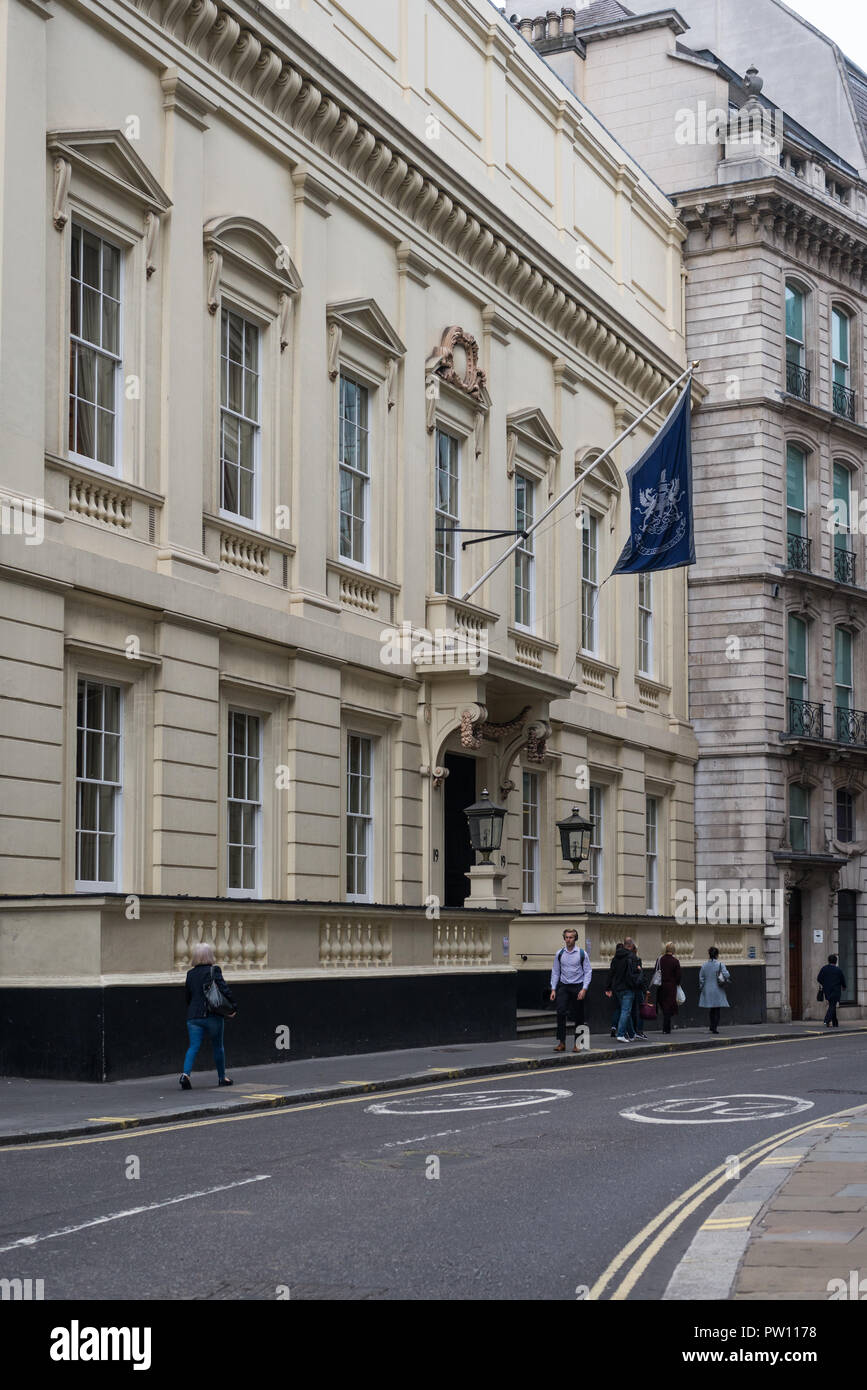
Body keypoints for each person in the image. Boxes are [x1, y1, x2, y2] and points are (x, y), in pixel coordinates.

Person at [180, 942, 238, 1089]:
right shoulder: (214, 970)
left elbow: (188, 996)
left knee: (193, 1047)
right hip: (212, 1015)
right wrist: (232, 1006)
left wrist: (193, 1010)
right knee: (218, 1047)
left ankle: (185, 1075)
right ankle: (221, 1078)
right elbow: (224, 989)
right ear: (209, 956)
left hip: (193, 1016)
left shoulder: (190, 974)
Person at [550, 928, 592, 1053]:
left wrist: (584, 989)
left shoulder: (582, 954)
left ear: (575, 939)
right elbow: (555, 972)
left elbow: (588, 971)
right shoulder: (560, 954)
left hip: (578, 986)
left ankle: (578, 1044)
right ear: (564, 939)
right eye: (567, 937)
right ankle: (561, 1042)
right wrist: (553, 988)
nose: (568, 940)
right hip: (563, 986)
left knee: (579, 1015)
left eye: (571, 937)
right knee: (560, 1012)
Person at [605, 937, 641, 1042]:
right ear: (631, 946)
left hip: (617, 988)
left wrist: (608, 987)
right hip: (628, 988)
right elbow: (634, 974)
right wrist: (639, 971)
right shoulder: (632, 957)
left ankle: (631, 1033)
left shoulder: (616, 957)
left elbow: (611, 972)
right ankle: (620, 1034)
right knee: (626, 1011)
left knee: (626, 1011)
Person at [698, 946, 730, 1034]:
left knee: (712, 1009)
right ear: (717, 955)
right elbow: (727, 975)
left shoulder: (704, 965)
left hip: (707, 989)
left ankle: (712, 1026)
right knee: (717, 1009)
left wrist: (702, 988)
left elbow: (701, 979)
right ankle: (715, 1027)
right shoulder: (720, 964)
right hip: (718, 989)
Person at [655, 942, 681, 1035]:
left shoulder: (660, 960)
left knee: (663, 1005)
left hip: (661, 986)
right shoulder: (675, 961)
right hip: (671, 987)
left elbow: (656, 971)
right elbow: (678, 977)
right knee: (668, 1007)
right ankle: (667, 1028)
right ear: (673, 950)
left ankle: (666, 1027)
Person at [817, 954, 847, 1029]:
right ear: (836, 961)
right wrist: (844, 986)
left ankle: (835, 1023)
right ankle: (826, 1020)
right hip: (836, 990)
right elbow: (842, 980)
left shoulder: (824, 968)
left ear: (828, 961)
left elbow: (819, 978)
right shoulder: (838, 970)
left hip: (827, 990)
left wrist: (825, 984)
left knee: (832, 1005)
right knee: (832, 1006)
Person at [630, 943, 649, 1040]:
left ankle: (632, 1031)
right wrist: (645, 989)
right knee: (640, 1010)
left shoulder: (627, 960)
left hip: (629, 988)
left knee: (632, 1011)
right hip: (637, 988)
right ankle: (639, 1031)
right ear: (635, 950)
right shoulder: (637, 960)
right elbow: (641, 977)